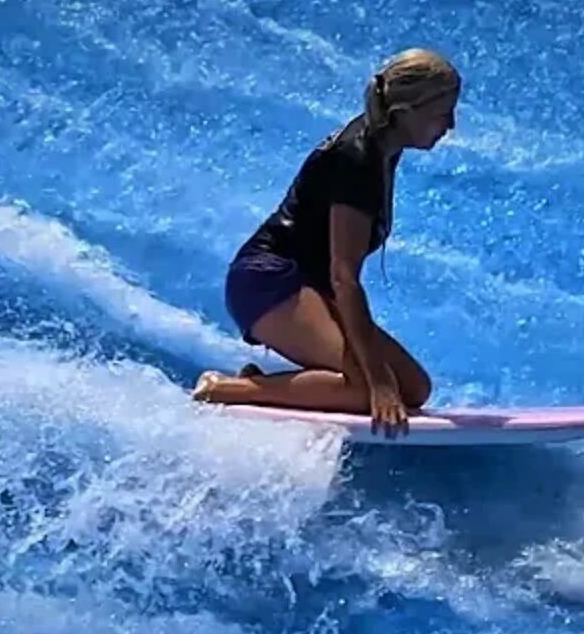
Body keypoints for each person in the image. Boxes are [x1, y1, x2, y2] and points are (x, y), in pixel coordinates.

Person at [193, 48, 462, 439]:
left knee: (415, 389)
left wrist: (382, 375)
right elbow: (344, 278)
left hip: (305, 285)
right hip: (269, 282)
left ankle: (270, 386)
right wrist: (378, 380)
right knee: (369, 388)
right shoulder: (357, 160)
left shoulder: (385, 146)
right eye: (442, 113)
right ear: (405, 111)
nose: (451, 124)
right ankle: (225, 390)